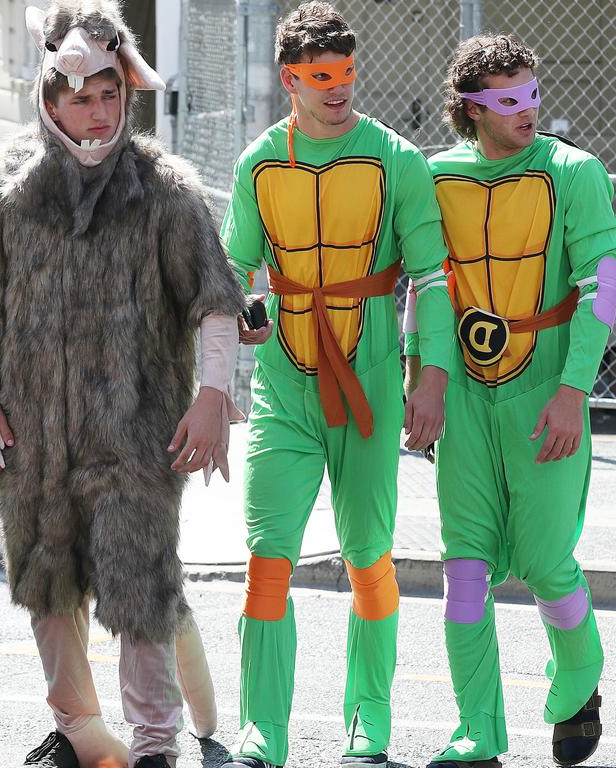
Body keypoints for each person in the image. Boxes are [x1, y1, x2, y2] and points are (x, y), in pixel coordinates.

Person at [0, 2, 245, 766]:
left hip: (137, 433)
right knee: (50, 582)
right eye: (78, 97)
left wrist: (214, 395)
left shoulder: (165, 190)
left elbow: (214, 302)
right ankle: (80, 730)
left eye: (109, 93)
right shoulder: (3, 189)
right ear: (48, 99)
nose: (96, 111)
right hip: (30, 432)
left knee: (138, 583)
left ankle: (155, 743)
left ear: (126, 92)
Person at [219, 3, 457, 766]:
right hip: (284, 389)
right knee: (267, 556)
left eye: (347, 74)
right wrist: (236, 316)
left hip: (371, 384)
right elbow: (233, 268)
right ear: (291, 79)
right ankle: (263, 729)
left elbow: (431, 277)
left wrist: (432, 378)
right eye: (322, 77)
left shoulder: (396, 158)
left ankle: (371, 719)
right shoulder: (259, 161)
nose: (339, 89)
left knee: (369, 555)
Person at [403, 34, 615, 768]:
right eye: (507, 100)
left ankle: (580, 682)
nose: (527, 111)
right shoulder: (432, 178)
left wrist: (572, 391)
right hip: (463, 394)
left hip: (544, 387)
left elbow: (607, 286)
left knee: (547, 559)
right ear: (471, 109)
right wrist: (416, 375)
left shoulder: (575, 173)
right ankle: (477, 734)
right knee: (463, 567)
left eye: (532, 93)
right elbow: (425, 285)